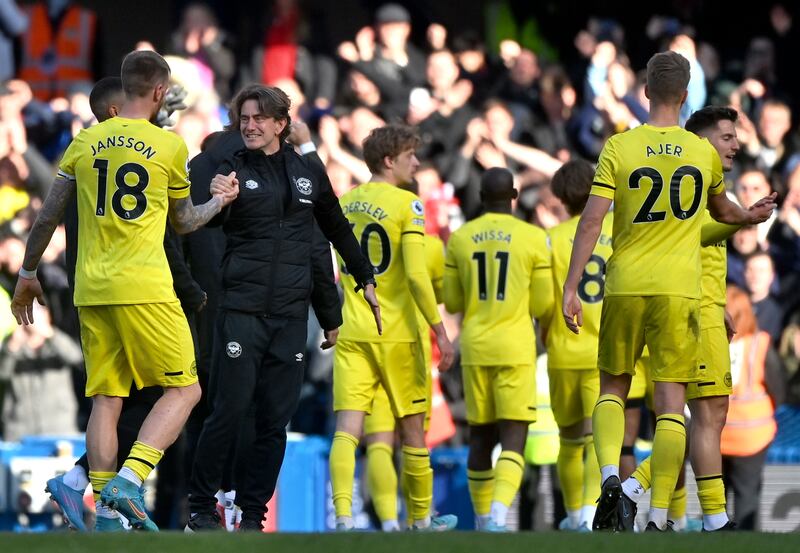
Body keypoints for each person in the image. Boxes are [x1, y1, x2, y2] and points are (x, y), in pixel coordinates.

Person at [10, 50, 239, 532]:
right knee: (186, 388)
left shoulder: (85, 141)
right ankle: (129, 479)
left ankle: (107, 514)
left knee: (108, 400)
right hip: (146, 287)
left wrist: (28, 272)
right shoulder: (169, 146)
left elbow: (49, 214)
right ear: (159, 92)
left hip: (91, 288)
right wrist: (218, 201)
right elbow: (183, 221)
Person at [562, 51, 776, 532]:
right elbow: (724, 213)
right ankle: (655, 510)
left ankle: (614, 482)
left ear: (644, 92)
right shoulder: (700, 152)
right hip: (679, 293)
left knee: (614, 386)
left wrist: (572, 284)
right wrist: (752, 215)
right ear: (684, 96)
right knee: (670, 406)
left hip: (624, 285)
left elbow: (592, 219)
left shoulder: (619, 146)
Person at [186, 84, 379, 532]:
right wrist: (218, 201)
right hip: (241, 311)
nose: (249, 127)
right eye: (244, 119)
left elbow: (334, 232)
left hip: (290, 316)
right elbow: (201, 219)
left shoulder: (309, 171)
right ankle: (201, 506)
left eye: (258, 119)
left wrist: (362, 279)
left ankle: (253, 515)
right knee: (229, 410)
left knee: (274, 422)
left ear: (281, 124)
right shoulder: (229, 169)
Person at [619, 105, 745, 532]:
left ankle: (653, 506)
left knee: (691, 417)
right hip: (694, 312)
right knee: (707, 414)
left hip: (691, 306)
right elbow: (698, 235)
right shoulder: (697, 186)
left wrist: (720, 302)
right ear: (703, 141)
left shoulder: (693, 183)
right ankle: (705, 514)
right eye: (726, 136)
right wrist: (744, 219)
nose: (735, 144)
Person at [329, 123, 456, 532]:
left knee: (348, 431)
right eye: (409, 156)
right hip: (398, 333)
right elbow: (418, 278)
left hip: (352, 331)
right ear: (389, 160)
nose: (416, 163)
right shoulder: (408, 205)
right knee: (412, 432)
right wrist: (439, 331)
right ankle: (420, 520)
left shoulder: (345, 202)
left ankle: (345, 518)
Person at [444, 167, 552, 531]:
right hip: (515, 347)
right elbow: (541, 304)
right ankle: (496, 514)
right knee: (514, 439)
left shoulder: (461, 238)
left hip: (475, 347)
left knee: (480, 435)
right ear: (515, 195)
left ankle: (480, 518)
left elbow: (454, 302)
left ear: (480, 196)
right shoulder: (533, 238)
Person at [363, 179, 445, 532]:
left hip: (365, 336)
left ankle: (388, 522)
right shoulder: (431, 245)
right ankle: (419, 519)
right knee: (413, 437)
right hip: (410, 344)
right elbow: (442, 294)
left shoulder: (357, 220)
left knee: (379, 439)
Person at [544, 159, 611, 532]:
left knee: (569, 438)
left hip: (564, 349)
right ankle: (589, 511)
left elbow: (541, 301)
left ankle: (573, 514)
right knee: (597, 439)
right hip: (606, 349)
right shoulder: (619, 229)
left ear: (561, 197)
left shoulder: (550, 238)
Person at [721, 285, 785, 530]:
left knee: (715, 498)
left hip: (714, 434)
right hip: (752, 435)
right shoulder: (760, 344)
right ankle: (748, 540)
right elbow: (777, 385)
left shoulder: (705, 344)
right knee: (747, 493)